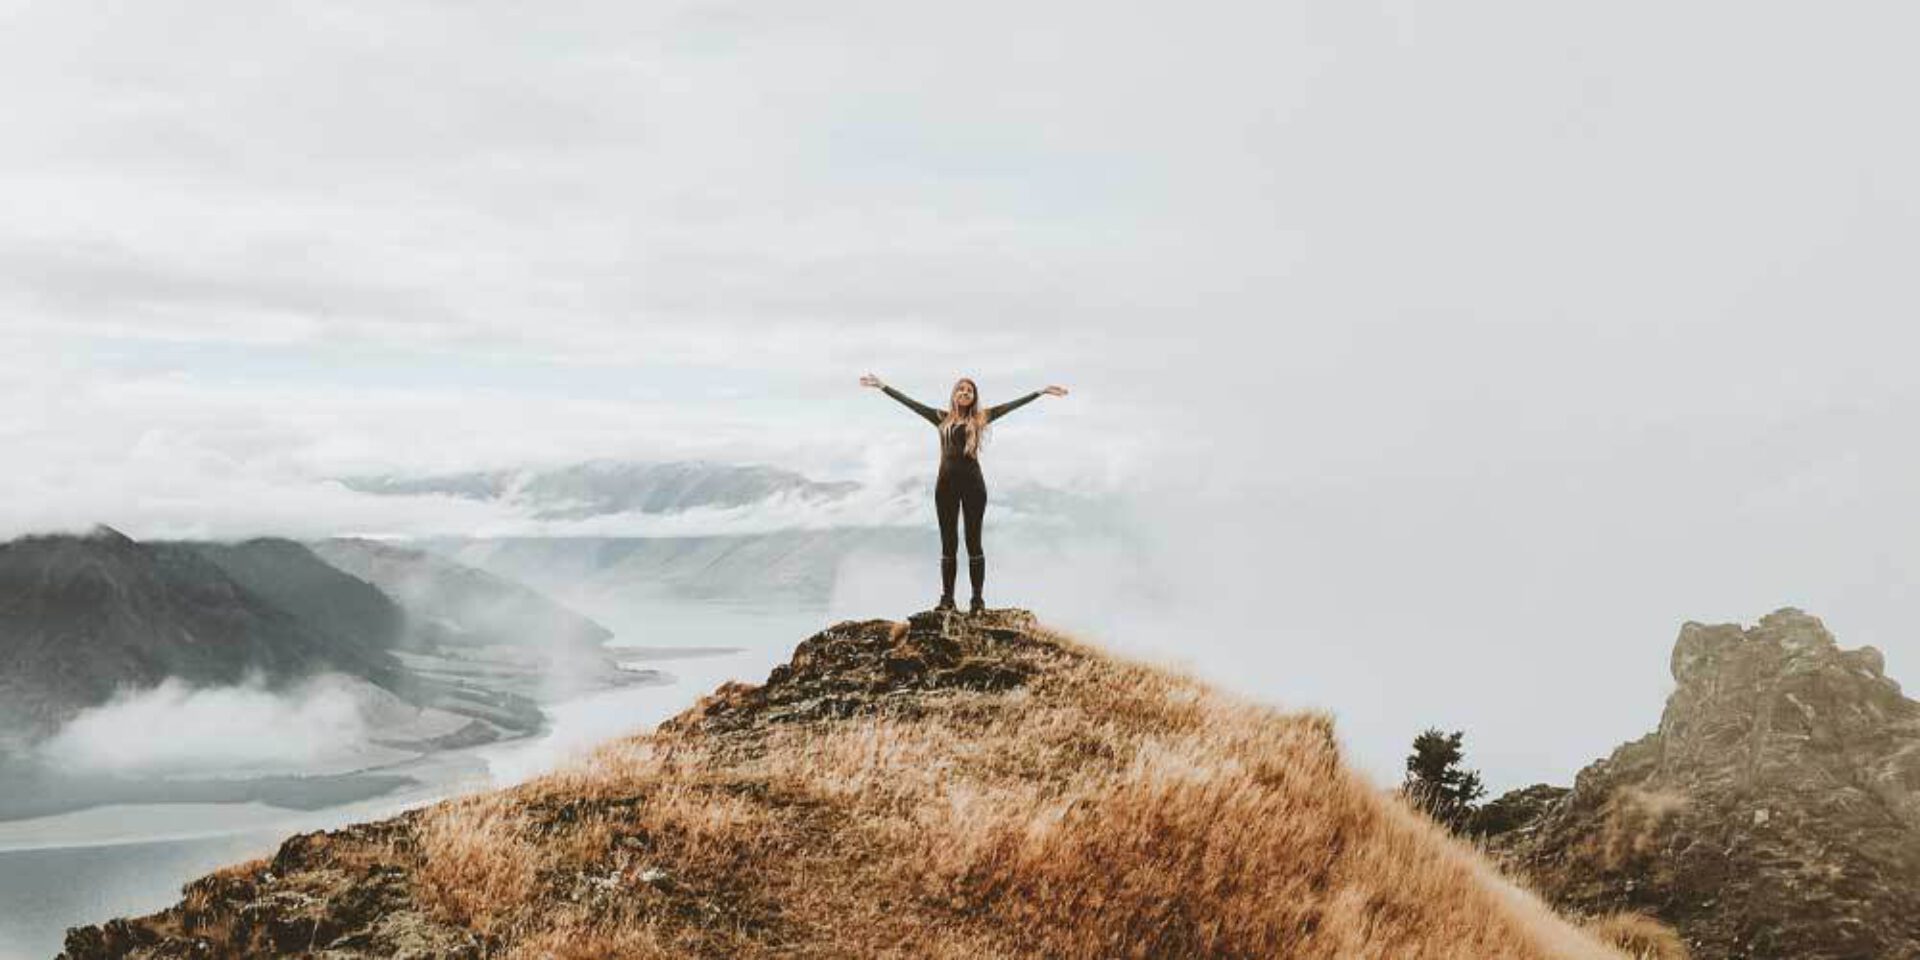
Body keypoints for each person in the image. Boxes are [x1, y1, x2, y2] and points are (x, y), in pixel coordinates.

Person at [860, 373, 1069, 613]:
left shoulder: (981, 418)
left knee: (973, 543)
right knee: (948, 545)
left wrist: (1040, 392)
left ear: (974, 397)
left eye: (969, 390)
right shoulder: (941, 418)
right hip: (945, 488)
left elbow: (1010, 406)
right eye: (961, 389)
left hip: (973, 488)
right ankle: (947, 599)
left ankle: (977, 601)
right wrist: (883, 386)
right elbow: (911, 404)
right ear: (954, 394)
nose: (965, 392)